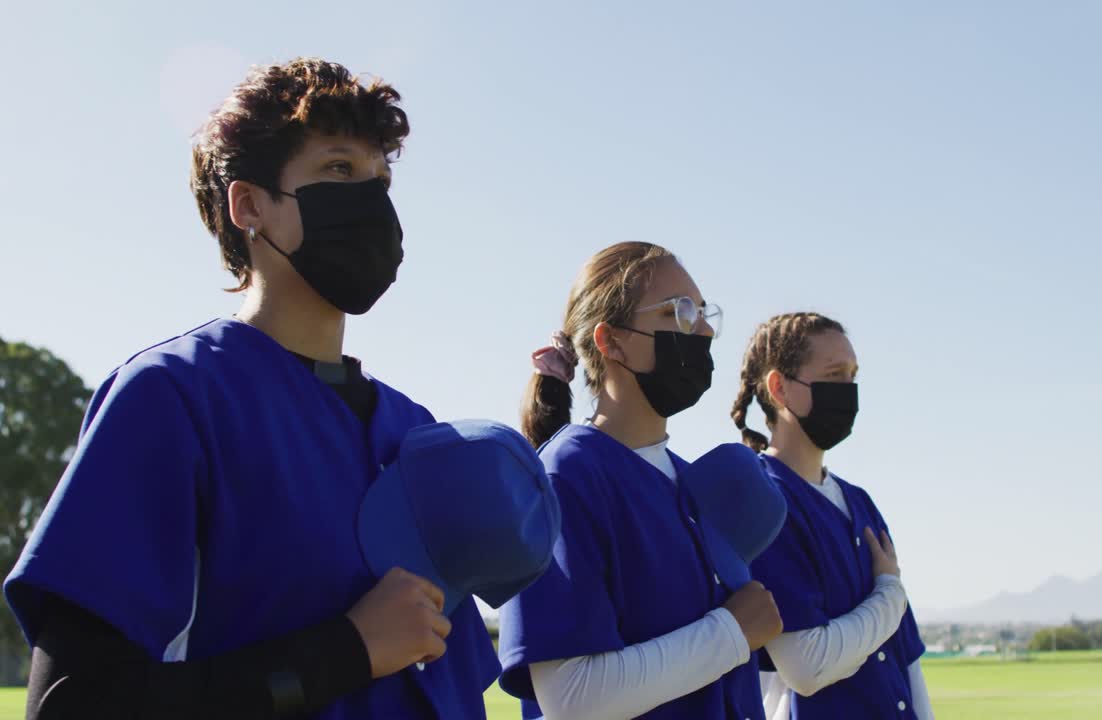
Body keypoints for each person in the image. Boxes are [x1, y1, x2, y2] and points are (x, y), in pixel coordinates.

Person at [5, 57, 497, 719]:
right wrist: (342, 651)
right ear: (249, 205)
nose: (373, 200)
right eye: (339, 170)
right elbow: (74, 705)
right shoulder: (172, 397)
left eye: (381, 178)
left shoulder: (417, 431)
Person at [498, 242, 782, 719]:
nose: (706, 329)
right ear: (611, 341)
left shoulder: (689, 481)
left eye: (704, 311)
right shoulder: (566, 474)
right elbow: (569, 698)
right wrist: (732, 632)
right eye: (681, 312)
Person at [730, 312, 933, 719]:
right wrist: (888, 594)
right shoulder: (764, 500)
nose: (848, 390)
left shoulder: (860, 502)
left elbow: (905, 659)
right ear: (779, 387)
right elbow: (807, 665)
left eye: (853, 376)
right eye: (834, 374)